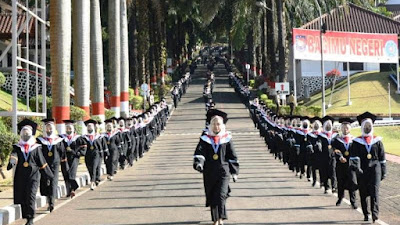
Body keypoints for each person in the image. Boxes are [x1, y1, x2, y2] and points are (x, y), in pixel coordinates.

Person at [193, 109, 239, 225]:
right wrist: (199, 163)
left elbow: (232, 156)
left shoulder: (227, 138)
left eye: (218, 124)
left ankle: (221, 218)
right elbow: (200, 152)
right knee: (213, 195)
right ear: (210, 125)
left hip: (224, 171)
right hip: (209, 172)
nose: (216, 126)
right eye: (213, 123)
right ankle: (215, 219)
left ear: (222, 125)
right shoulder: (205, 139)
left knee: (221, 194)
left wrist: (234, 172)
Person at [7, 119, 54, 225]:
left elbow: (42, 162)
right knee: (22, 196)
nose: (25, 134)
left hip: (33, 176)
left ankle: (30, 218)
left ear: (31, 133)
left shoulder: (36, 148)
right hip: (20, 176)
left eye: (27, 132)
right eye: (24, 132)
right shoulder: (17, 147)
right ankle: (25, 214)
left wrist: (49, 176)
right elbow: (14, 156)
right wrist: (12, 162)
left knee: (31, 195)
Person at [350, 112, 386, 222]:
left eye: (369, 126)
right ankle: (366, 213)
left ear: (372, 126)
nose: (367, 128)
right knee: (363, 192)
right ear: (361, 127)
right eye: (365, 126)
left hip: (375, 168)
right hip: (362, 169)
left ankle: (375, 213)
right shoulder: (356, 142)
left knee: (374, 191)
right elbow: (354, 158)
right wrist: (357, 170)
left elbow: (382, 158)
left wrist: (383, 172)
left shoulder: (378, 141)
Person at [37, 118, 66, 212]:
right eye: (47, 128)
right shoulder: (40, 141)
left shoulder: (58, 140)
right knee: (45, 183)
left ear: (53, 129)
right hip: (44, 165)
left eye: (50, 128)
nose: (49, 130)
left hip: (55, 165)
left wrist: (62, 163)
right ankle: (48, 198)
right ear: (45, 129)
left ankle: (51, 203)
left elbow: (62, 153)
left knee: (53, 183)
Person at [332, 117, 358, 209]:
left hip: (351, 166)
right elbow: (334, 150)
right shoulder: (337, 139)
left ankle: (353, 201)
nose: (345, 129)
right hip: (340, 165)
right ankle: (340, 198)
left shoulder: (354, 140)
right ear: (341, 128)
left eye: (347, 127)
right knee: (340, 182)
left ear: (350, 129)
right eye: (343, 127)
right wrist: (340, 157)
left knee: (352, 183)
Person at [60, 120, 87, 198]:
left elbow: (83, 148)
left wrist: (77, 153)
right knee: (65, 174)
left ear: (73, 129)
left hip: (74, 158)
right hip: (64, 158)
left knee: (72, 173)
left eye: (70, 128)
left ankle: (73, 189)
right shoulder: (61, 138)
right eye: (67, 128)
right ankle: (68, 190)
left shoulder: (78, 138)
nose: (68, 130)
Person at [83, 119, 108, 190]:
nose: (89, 128)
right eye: (88, 127)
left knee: (94, 167)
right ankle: (96, 179)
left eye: (91, 127)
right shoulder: (84, 138)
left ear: (94, 128)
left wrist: (104, 155)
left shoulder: (97, 137)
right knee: (90, 168)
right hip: (88, 154)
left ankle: (92, 182)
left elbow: (101, 147)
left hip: (96, 154)